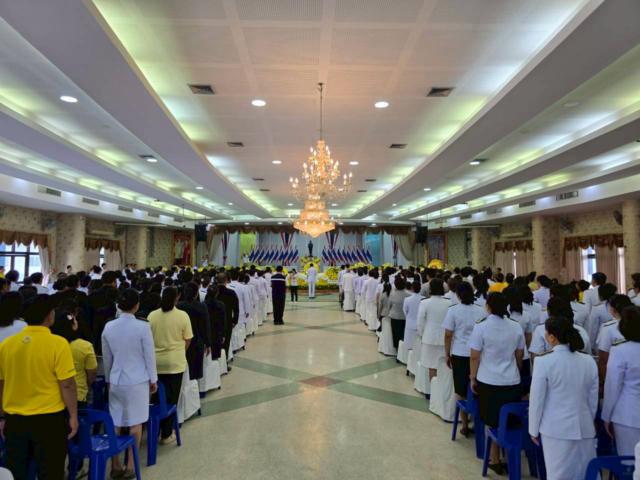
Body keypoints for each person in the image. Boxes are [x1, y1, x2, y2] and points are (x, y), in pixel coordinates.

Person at [0, 295, 78, 480]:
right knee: (51, 471)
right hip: (49, 419)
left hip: (15, 419)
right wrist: (73, 415)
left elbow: (1, 384)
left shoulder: (7, 345)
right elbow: (67, 384)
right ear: (49, 316)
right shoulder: (58, 343)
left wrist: (2, 416)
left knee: (16, 472)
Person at [529, 316, 598, 480]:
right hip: (585, 426)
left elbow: (537, 400)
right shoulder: (588, 360)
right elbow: (592, 399)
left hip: (555, 429)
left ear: (552, 337)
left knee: (558, 474)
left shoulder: (544, 361)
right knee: (585, 473)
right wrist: (589, 418)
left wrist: (533, 429)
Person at [102, 289, 157, 477]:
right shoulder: (142, 327)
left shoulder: (109, 326)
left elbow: (107, 358)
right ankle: (131, 465)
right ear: (137, 305)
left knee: (116, 422)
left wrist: (108, 379)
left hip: (116, 379)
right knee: (135, 422)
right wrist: (153, 379)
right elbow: (149, 356)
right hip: (137, 380)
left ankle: (115, 464)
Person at [469, 292, 525, 474]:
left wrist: (472, 377)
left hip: (488, 380)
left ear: (488, 307)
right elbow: (519, 354)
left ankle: (494, 459)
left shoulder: (481, 327)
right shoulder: (515, 326)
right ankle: (510, 457)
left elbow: (475, 356)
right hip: (511, 379)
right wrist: (515, 370)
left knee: (491, 420)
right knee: (509, 420)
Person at [148, 287, 193, 444]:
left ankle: (154, 430)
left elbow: (148, 339)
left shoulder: (152, 316)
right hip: (175, 363)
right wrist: (179, 351)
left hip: (156, 363)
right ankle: (166, 434)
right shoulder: (182, 316)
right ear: (177, 298)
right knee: (171, 399)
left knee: (156, 398)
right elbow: (188, 339)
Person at [443, 281, 486, 436]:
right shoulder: (481, 310)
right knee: (477, 388)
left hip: (459, 353)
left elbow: (448, 335)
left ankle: (464, 425)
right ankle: (477, 420)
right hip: (477, 354)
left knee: (460, 390)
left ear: (458, 295)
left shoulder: (453, 310)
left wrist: (447, 354)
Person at [601, 305, 640, 456]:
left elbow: (612, 387)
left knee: (629, 461)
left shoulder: (619, 350)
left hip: (627, 415)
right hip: (628, 415)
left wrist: (606, 416)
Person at [417, 278, 451, 381]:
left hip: (429, 337)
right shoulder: (449, 303)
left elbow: (420, 321)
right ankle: (441, 388)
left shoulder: (425, 303)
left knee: (431, 365)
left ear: (430, 289)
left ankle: (432, 388)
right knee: (443, 365)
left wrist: (422, 334)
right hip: (444, 338)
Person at [177, 282, 211, 381]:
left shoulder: (178, 306)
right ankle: (195, 387)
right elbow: (206, 326)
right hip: (197, 340)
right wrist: (208, 343)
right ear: (196, 293)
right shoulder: (201, 306)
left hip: (182, 341)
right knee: (196, 369)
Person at [215, 273, 239, 362]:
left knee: (215, 342)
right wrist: (235, 321)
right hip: (227, 321)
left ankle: (216, 362)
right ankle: (224, 363)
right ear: (226, 281)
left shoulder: (212, 291)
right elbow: (236, 308)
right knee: (226, 342)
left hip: (213, 321)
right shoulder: (231, 293)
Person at [388, 276, 410, 349]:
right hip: (404, 317)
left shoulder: (392, 293)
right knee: (403, 333)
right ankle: (403, 349)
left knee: (395, 333)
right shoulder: (408, 294)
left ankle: (396, 347)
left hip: (394, 316)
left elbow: (389, 305)